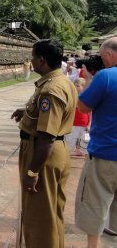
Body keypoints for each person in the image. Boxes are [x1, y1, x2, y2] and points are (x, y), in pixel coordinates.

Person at [11, 39, 77, 248]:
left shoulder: (51, 90)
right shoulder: (60, 81)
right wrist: (28, 112)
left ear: (42, 60)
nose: (31, 61)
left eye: (33, 57)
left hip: (44, 156)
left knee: (40, 219)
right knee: (51, 213)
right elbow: (48, 116)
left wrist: (32, 173)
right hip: (52, 152)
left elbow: (47, 137)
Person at [75, 36, 117, 248]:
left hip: (105, 153)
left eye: (102, 57)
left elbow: (82, 107)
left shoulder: (106, 76)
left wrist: (91, 78)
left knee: (95, 202)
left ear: (109, 55)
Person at [65, 78, 91, 158]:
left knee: (84, 140)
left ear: (84, 86)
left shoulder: (87, 97)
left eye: (77, 86)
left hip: (84, 123)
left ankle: (82, 152)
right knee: (70, 140)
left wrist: (89, 124)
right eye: (74, 85)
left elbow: (90, 112)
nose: (75, 87)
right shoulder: (72, 97)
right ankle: (69, 152)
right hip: (73, 123)